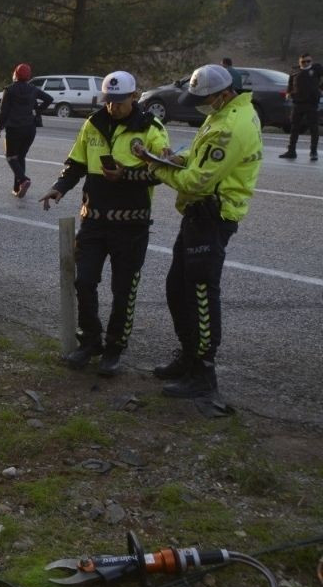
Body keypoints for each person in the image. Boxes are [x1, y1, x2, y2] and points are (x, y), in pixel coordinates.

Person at [132, 64, 262, 399]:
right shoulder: (221, 115)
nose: (200, 104)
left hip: (212, 215)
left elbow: (197, 181)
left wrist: (158, 167)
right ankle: (188, 355)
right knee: (177, 288)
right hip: (196, 215)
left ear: (223, 94)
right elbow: (198, 153)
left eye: (204, 99)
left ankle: (203, 373)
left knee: (201, 295)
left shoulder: (231, 125)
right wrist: (175, 156)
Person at [38, 71, 169, 376]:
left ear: (134, 97)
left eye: (120, 102)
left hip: (131, 225)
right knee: (84, 281)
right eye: (109, 101)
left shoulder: (151, 128)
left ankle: (114, 349)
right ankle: (90, 341)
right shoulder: (93, 123)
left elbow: (162, 171)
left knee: (123, 290)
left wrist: (126, 175)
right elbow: (77, 163)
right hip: (94, 221)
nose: (113, 107)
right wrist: (59, 187)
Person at [0, 63, 53, 198]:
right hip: (30, 128)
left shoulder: (9, 90)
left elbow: (4, 111)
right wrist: (37, 110)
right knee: (21, 157)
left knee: (10, 157)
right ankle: (17, 188)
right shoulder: (33, 89)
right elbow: (49, 99)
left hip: (14, 128)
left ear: (15, 74)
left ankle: (23, 180)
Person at [282, 52, 322, 160]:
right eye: (303, 61)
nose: (306, 63)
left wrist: (320, 90)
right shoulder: (295, 70)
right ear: (300, 61)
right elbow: (290, 84)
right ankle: (291, 151)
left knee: (313, 128)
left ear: (311, 61)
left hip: (311, 103)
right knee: (294, 127)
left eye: (308, 61)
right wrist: (288, 93)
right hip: (297, 103)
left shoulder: (317, 69)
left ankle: (313, 152)